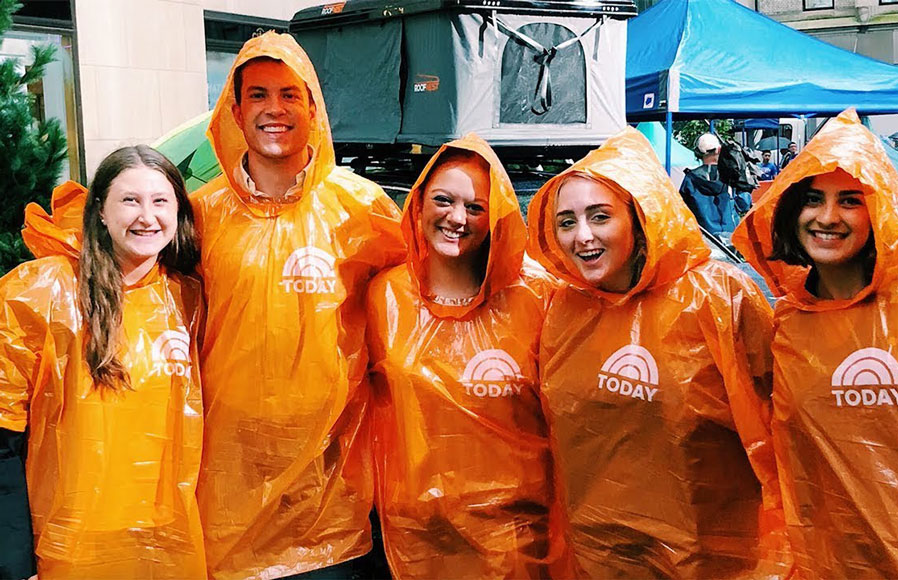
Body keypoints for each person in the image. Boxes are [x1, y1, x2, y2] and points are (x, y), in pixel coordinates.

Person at [526, 128, 791, 578]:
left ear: (640, 215)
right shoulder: (561, 308)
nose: (582, 236)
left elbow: (780, 425)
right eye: (566, 222)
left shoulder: (717, 296)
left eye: (600, 216)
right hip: (600, 555)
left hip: (711, 556)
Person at [190, 31, 405, 579]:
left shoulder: (360, 207)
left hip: (330, 504)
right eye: (258, 95)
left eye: (290, 93)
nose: (274, 109)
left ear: (313, 106)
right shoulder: (199, 216)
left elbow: (431, 289)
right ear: (235, 111)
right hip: (227, 500)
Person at [732, 108, 898, 578]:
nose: (827, 217)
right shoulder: (788, 325)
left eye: (850, 200)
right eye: (813, 199)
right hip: (835, 562)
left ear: (880, 209)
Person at [0, 145, 205, 579]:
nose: (146, 216)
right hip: (68, 548)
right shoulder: (42, 290)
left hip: (166, 542)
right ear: (100, 211)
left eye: (160, 201)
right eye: (130, 200)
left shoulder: (188, 297)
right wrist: (14, 561)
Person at [367, 134, 563, 579]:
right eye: (444, 200)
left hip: (514, 541)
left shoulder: (539, 297)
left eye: (476, 207)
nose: (457, 218)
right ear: (417, 206)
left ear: (495, 219)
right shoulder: (383, 296)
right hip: (415, 538)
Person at [679, 132, 744, 236]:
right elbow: (743, 204)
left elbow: (682, 210)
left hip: (704, 237)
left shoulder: (690, 178)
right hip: (729, 236)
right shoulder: (730, 175)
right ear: (719, 150)